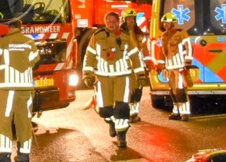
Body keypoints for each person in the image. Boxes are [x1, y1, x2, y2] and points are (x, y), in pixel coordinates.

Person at [0, 18, 41, 162]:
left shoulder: (3, 41)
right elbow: (36, 62)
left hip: (7, 89)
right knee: (24, 121)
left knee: (3, 120)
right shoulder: (29, 42)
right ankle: (24, 155)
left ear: (9, 28)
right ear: (20, 27)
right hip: (25, 88)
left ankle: (4, 156)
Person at [83, 11, 148, 147]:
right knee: (104, 110)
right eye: (108, 21)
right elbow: (89, 56)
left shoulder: (125, 37)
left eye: (114, 21)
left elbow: (135, 56)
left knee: (122, 107)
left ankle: (121, 135)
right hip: (102, 78)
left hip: (122, 77)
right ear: (105, 22)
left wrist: (140, 75)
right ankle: (111, 121)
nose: (111, 24)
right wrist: (87, 74)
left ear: (118, 22)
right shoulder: (97, 36)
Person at [151, 11, 194, 121]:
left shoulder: (181, 33)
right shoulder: (164, 35)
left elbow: (189, 46)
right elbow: (163, 52)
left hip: (180, 66)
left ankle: (184, 113)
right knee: (172, 91)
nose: (165, 25)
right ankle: (176, 111)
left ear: (173, 23)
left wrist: (187, 61)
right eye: (164, 23)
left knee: (180, 90)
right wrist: (160, 65)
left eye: (167, 23)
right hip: (169, 68)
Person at [120, 8, 147, 123]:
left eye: (132, 19)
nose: (131, 21)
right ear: (124, 20)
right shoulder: (120, 33)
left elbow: (144, 48)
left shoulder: (139, 33)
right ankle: (129, 113)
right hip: (126, 66)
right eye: (128, 19)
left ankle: (134, 113)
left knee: (138, 90)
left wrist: (148, 62)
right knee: (128, 90)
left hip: (139, 65)